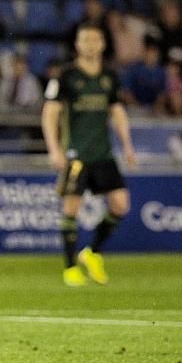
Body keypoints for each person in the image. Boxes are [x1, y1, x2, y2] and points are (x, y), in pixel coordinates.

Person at [42, 24, 137, 288]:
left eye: (95, 40)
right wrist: (54, 149)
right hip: (76, 154)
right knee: (71, 208)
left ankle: (92, 252)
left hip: (103, 153)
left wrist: (127, 146)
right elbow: (50, 113)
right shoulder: (66, 76)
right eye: (85, 40)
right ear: (77, 45)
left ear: (103, 44)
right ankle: (70, 267)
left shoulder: (109, 76)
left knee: (120, 205)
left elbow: (117, 112)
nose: (90, 44)